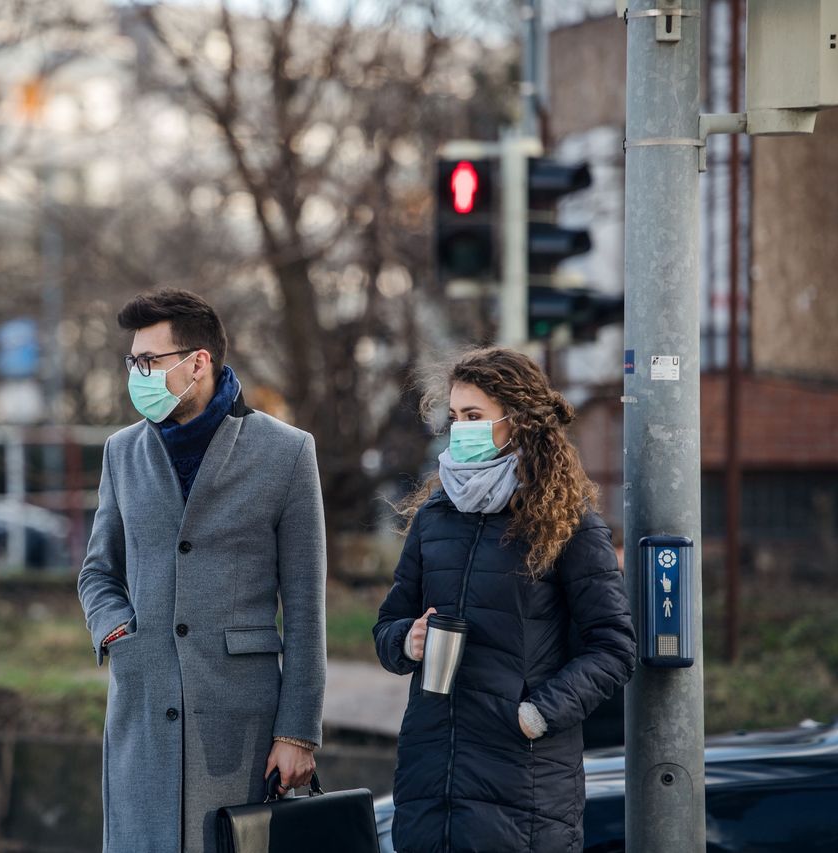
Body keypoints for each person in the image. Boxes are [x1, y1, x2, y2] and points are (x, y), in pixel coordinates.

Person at [77, 288, 327, 853]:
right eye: (132, 362)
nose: (136, 374)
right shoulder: (121, 451)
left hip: (241, 723)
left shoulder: (287, 452)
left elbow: (308, 606)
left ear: (198, 363)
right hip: (142, 712)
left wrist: (298, 733)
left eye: (149, 361)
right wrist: (115, 627)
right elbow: (97, 571)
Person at [373, 347, 637, 853]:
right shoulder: (435, 516)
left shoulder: (568, 524)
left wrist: (538, 713)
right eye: (455, 417)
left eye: (474, 416)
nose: (461, 428)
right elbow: (389, 623)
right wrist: (407, 640)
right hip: (432, 777)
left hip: (523, 782)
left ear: (517, 422)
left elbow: (613, 648)